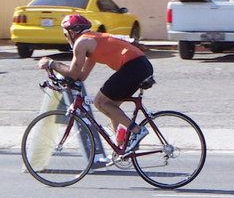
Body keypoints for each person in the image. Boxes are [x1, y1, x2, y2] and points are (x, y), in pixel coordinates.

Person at [38, 14, 153, 152]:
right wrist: (64, 78)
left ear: (72, 32)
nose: (66, 37)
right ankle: (122, 144)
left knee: (100, 102)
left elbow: (73, 73)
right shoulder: (93, 41)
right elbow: (81, 76)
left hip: (133, 66)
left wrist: (52, 63)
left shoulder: (81, 43)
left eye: (65, 34)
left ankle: (137, 131)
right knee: (111, 107)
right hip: (141, 65)